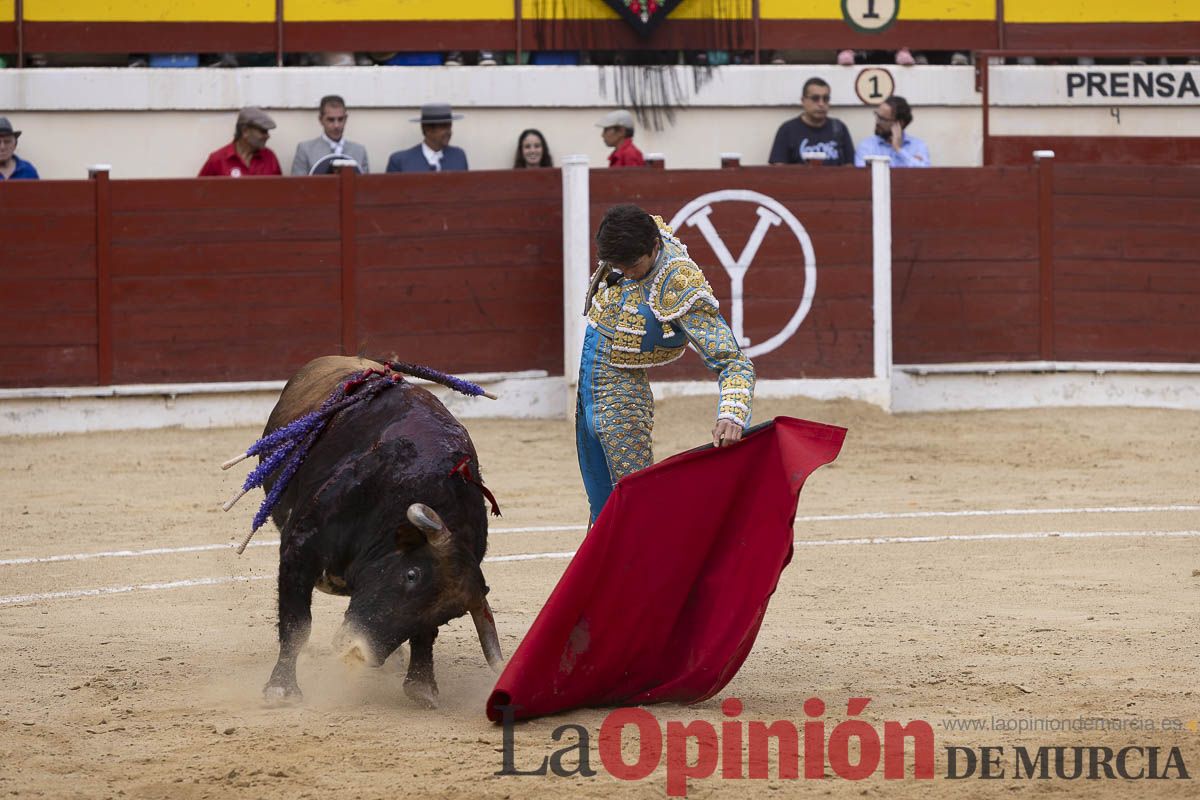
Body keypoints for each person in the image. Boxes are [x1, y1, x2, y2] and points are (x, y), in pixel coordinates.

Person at [576, 204, 755, 523]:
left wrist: (732, 413)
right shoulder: (631, 240)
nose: (624, 273)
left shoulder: (679, 283)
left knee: (634, 502)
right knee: (602, 506)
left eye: (632, 265)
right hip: (588, 385)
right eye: (616, 265)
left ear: (655, 246)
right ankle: (607, 575)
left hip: (621, 399)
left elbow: (734, 362)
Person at [768, 78, 854, 166]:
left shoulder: (839, 128)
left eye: (825, 98)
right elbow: (777, 170)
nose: (821, 104)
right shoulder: (787, 130)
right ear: (803, 101)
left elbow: (850, 168)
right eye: (815, 98)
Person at [291, 95, 370, 175]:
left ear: (346, 119)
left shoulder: (359, 151)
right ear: (321, 120)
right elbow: (297, 185)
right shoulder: (305, 150)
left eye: (340, 119)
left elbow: (365, 185)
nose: (336, 125)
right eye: (331, 120)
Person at [198, 107, 282, 178]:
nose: (267, 136)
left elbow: (280, 192)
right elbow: (198, 192)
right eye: (263, 131)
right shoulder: (218, 160)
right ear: (245, 131)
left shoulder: (270, 158)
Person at [386, 103, 469, 172]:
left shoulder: (458, 156)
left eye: (449, 127)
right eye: (444, 127)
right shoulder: (401, 161)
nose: (449, 132)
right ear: (427, 129)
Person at [854, 95, 931, 168]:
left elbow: (926, 174)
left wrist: (898, 149)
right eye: (877, 115)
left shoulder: (918, 146)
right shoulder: (867, 146)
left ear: (899, 123)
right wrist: (911, 160)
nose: (877, 122)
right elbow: (862, 176)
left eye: (883, 119)